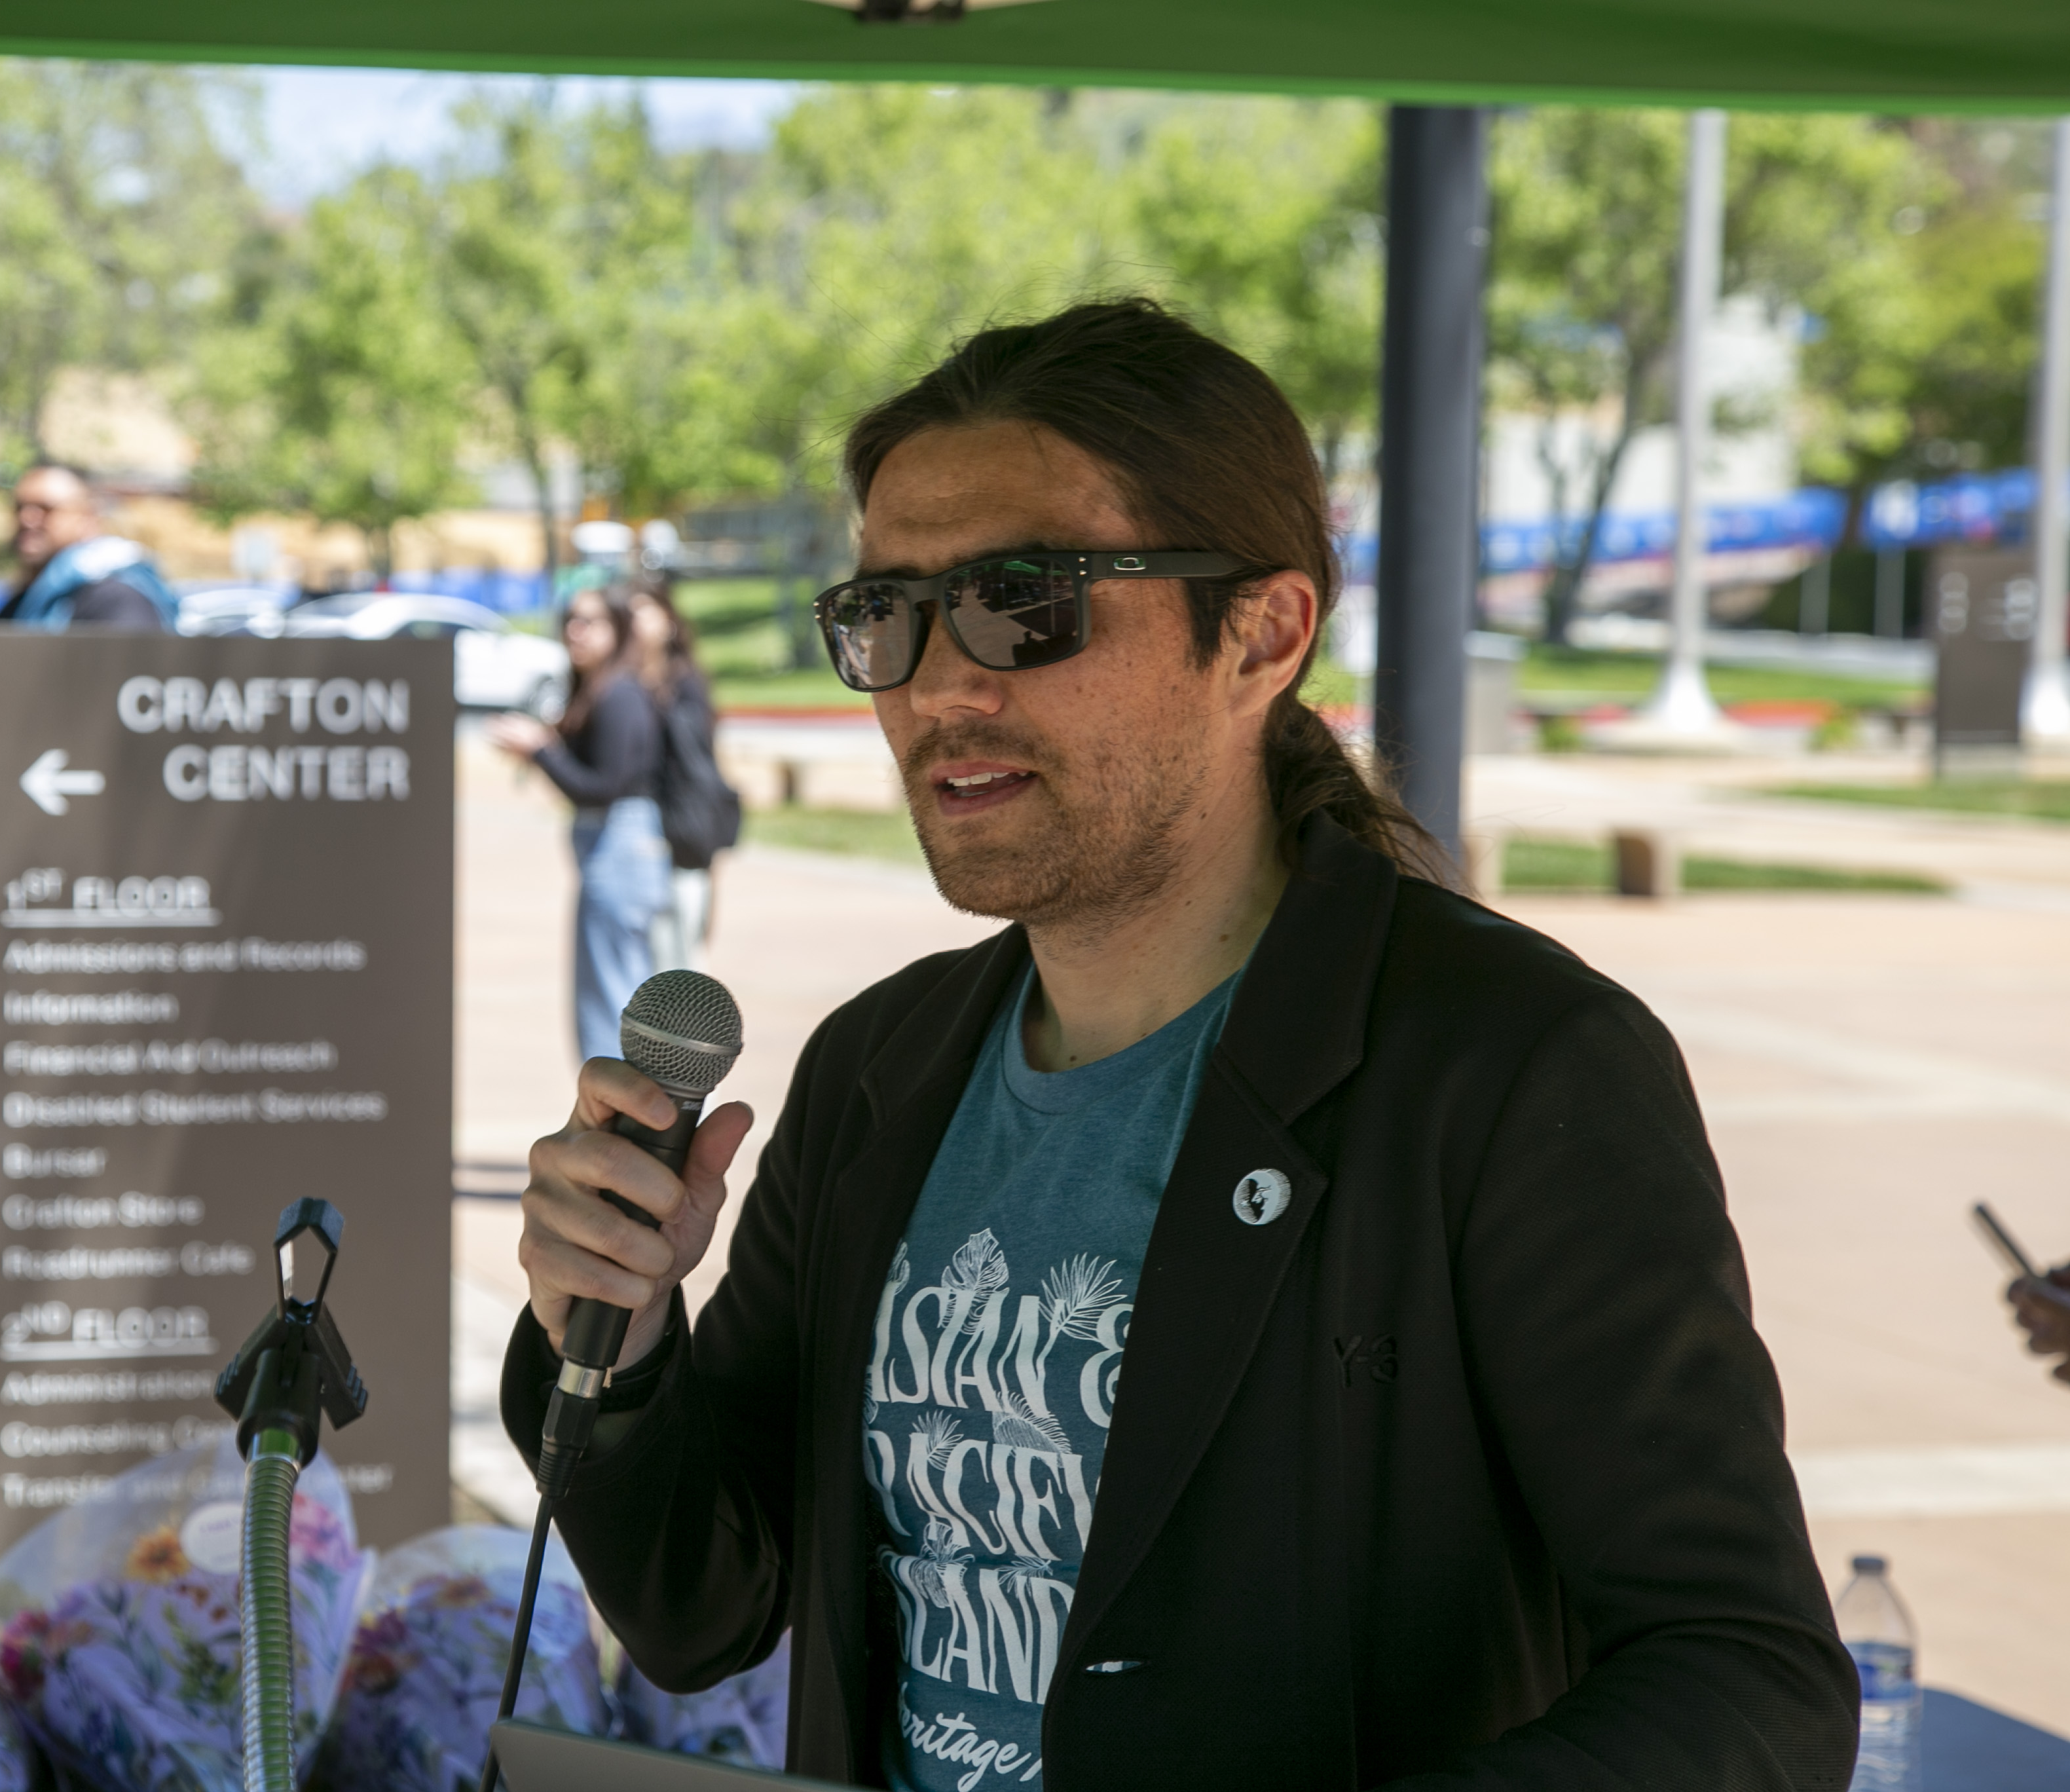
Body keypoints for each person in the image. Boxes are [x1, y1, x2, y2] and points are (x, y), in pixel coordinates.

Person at [501, 301, 1855, 1789]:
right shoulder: (877, 1069)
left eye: (1027, 599)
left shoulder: (1509, 1066)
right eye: (887, 613)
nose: (941, 683)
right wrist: (618, 1341)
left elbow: (1747, 1674)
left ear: (1262, 634)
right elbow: (708, 1606)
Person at [488, 584, 668, 1064]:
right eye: (571, 619)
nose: (576, 631)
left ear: (618, 629)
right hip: (618, 844)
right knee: (618, 984)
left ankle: (615, 1109)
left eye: (591, 621)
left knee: (611, 993)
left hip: (621, 845)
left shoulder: (619, 694)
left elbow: (599, 787)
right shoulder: (601, 690)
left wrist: (540, 751)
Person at [627, 578, 734, 974]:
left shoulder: (684, 684)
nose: (635, 624)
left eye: (643, 612)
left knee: (676, 961)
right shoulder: (631, 682)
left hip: (679, 840)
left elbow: (695, 770)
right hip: (648, 839)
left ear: (668, 621)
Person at [0, 463, 174, 631]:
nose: (27, 519)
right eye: (20, 508)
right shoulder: (25, 602)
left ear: (87, 517)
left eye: (45, 508)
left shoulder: (117, 598)